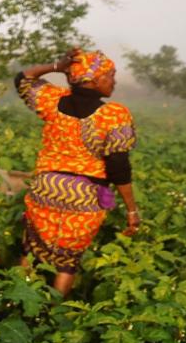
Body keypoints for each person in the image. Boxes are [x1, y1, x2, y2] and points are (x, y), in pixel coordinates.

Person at [16, 48, 139, 297]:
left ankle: (14, 300)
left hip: (45, 187)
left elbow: (23, 79)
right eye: (110, 76)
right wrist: (131, 209)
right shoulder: (114, 115)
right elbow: (119, 168)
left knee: (31, 248)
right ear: (93, 80)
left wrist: (56, 67)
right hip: (85, 194)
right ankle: (52, 315)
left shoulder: (52, 99)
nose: (114, 81)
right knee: (66, 261)